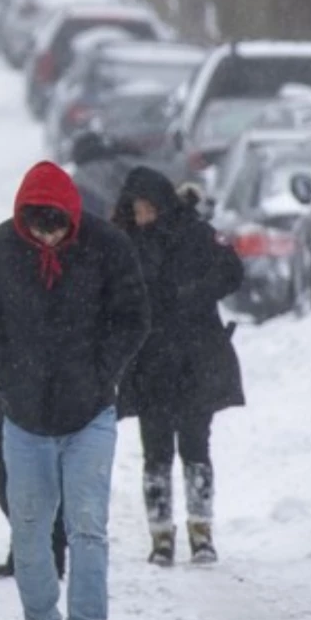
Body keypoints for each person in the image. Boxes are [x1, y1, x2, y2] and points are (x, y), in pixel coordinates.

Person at [0, 162, 151, 620]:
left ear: (72, 218)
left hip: (91, 412)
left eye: (56, 229)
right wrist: (8, 378)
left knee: (87, 524)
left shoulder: (107, 246)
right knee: (29, 528)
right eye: (38, 231)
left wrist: (101, 372)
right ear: (23, 221)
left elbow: (132, 316)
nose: (47, 239)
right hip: (24, 417)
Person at [112, 167, 245, 567]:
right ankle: (161, 537)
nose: (141, 215)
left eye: (147, 208)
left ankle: (201, 532)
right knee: (155, 453)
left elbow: (232, 272)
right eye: (135, 208)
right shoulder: (125, 244)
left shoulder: (197, 234)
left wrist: (191, 295)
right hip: (150, 364)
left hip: (194, 359)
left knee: (195, 447)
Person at [0, 376, 67, 580]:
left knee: (35, 480)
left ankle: (45, 553)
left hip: (43, 406)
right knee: (9, 480)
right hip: (16, 404)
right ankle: (30, 552)